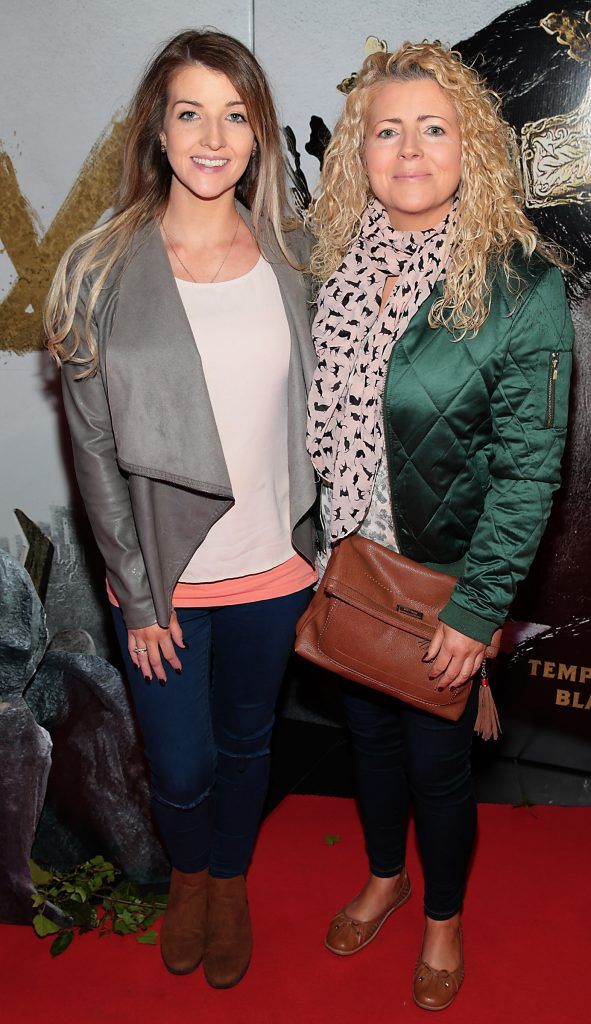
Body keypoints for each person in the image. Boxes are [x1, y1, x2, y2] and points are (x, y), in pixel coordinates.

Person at [45, 29, 317, 989]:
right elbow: (93, 450)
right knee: (178, 761)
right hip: (163, 580)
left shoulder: (297, 256)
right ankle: (191, 871)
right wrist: (138, 592)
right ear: (157, 132)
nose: (213, 137)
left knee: (249, 739)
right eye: (189, 112)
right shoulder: (97, 269)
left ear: (259, 135)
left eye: (235, 115)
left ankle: (225, 882)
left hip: (275, 566)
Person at [306, 41, 572, 1011]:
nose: (408, 148)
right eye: (387, 129)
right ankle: (385, 874)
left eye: (433, 126)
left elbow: (530, 469)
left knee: (436, 764)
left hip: (445, 586)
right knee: (367, 743)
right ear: (359, 154)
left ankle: (444, 918)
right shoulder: (334, 269)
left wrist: (481, 609)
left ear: (474, 148)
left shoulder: (519, 288)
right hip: (351, 567)